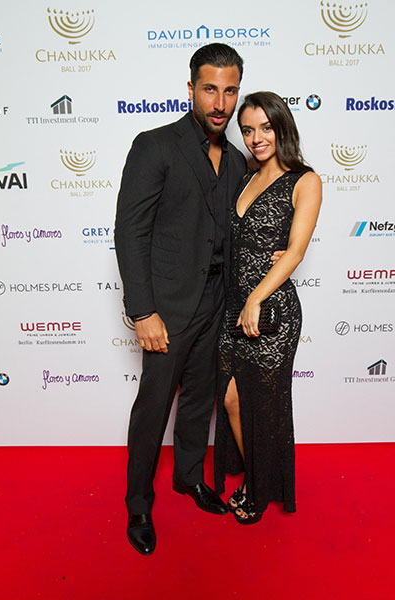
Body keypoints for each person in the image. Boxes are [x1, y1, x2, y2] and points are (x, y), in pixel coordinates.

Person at [114, 43, 247, 555]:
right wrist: (143, 310)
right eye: (210, 89)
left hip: (217, 301)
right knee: (153, 408)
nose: (220, 102)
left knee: (199, 399)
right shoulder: (155, 145)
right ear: (191, 89)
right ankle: (138, 504)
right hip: (166, 306)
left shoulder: (236, 161)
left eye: (229, 91)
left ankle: (189, 476)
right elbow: (131, 232)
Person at [214, 91, 322, 524]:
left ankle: (257, 488)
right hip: (233, 308)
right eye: (247, 130)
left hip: (272, 310)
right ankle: (258, 475)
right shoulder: (245, 177)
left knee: (267, 405)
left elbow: (295, 251)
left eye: (265, 127)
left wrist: (256, 298)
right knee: (231, 399)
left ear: (282, 128)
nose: (256, 138)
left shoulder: (305, 180)